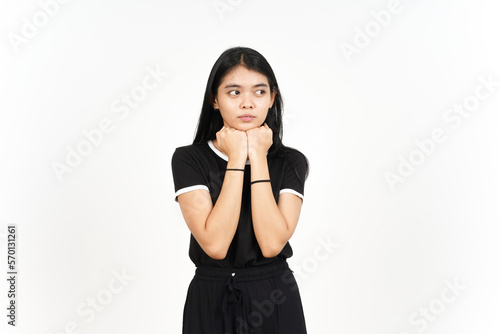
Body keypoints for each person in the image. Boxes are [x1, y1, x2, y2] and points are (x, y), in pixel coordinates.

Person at [171, 46, 310, 334]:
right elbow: (215, 245)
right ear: (215, 99)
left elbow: (272, 244)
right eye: (234, 92)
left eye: (259, 92)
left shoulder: (290, 162)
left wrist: (257, 156)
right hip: (211, 294)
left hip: (273, 294)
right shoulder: (189, 159)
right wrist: (237, 158)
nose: (248, 103)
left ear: (272, 98)